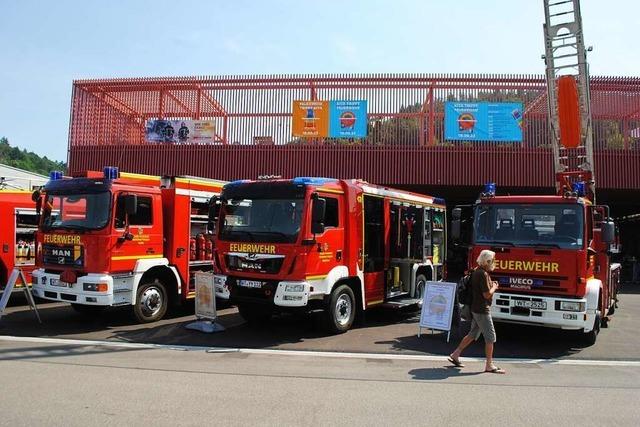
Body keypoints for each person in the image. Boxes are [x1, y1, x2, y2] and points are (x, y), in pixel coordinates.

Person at [448, 249, 505, 374]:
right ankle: (489, 365)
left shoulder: (476, 271)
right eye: (492, 260)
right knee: (490, 337)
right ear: (487, 261)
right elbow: (486, 295)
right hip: (482, 310)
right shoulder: (482, 274)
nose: (494, 262)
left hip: (475, 308)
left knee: (472, 334)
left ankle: (455, 354)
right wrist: (494, 287)